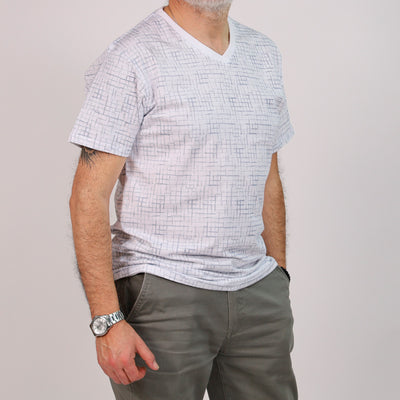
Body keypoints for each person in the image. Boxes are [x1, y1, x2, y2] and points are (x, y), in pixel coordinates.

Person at [68, 0, 298, 399]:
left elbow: (268, 175)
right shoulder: (131, 58)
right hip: (163, 293)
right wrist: (106, 320)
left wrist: (278, 275)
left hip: (257, 293)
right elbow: (88, 196)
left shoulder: (263, 53)